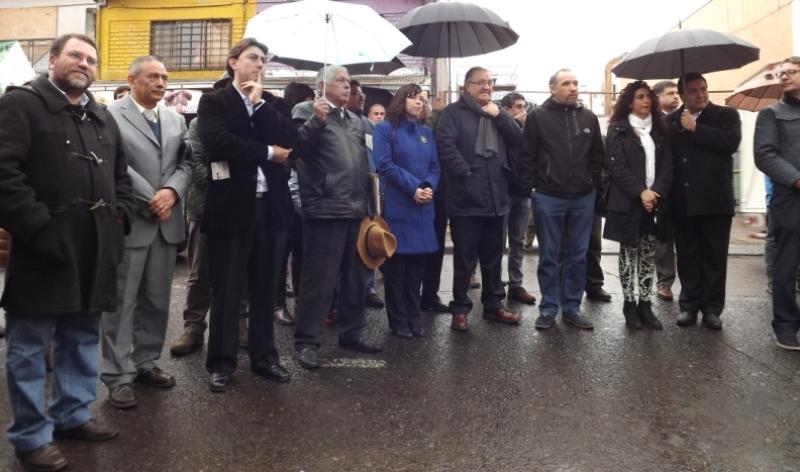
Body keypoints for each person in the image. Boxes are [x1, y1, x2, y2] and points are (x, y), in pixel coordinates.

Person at [0, 33, 135, 472]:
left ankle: (72, 415)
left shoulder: (99, 115)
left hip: (95, 246)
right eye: (76, 55)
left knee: (81, 338)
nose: (85, 63)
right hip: (43, 246)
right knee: (28, 346)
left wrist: (121, 220)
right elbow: (4, 174)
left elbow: (120, 177)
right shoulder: (21, 104)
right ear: (53, 59)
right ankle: (30, 436)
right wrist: (40, 228)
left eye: (92, 59)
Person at [197, 38, 297, 392]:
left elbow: (292, 139)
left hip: (271, 207)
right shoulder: (214, 101)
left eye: (263, 61)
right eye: (253, 58)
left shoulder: (271, 103)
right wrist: (269, 152)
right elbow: (219, 143)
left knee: (266, 287)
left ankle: (265, 357)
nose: (259, 65)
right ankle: (222, 363)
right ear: (233, 63)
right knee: (226, 287)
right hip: (231, 208)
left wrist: (259, 106)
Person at [101, 56, 190, 409]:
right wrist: (151, 196)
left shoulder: (175, 118)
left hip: (166, 221)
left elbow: (187, 162)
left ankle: (145, 362)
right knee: (122, 303)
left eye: (165, 77)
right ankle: (117, 375)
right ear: (132, 78)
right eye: (153, 76)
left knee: (157, 299)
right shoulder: (110, 115)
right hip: (131, 221)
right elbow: (113, 164)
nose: (161, 83)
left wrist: (172, 192)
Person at [292, 65, 382, 369]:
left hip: (356, 209)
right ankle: (306, 340)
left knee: (354, 278)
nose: (348, 87)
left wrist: (370, 204)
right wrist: (316, 119)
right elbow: (297, 149)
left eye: (348, 82)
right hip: (325, 208)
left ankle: (351, 332)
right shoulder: (306, 111)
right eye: (340, 81)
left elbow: (362, 163)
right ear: (321, 85)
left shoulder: (355, 120)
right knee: (319, 280)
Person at [436, 66, 523, 332]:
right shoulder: (452, 114)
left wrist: (502, 117)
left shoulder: (496, 112)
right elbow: (445, 146)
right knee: (464, 258)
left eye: (490, 82)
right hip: (465, 198)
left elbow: (518, 139)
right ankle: (460, 309)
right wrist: (466, 173)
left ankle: (494, 306)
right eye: (481, 83)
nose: (487, 87)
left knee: (493, 257)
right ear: (467, 87)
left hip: (496, 197)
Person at [521, 69, 604, 330]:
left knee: (578, 256)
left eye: (576, 83)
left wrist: (593, 187)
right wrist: (532, 189)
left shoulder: (589, 117)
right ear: (552, 88)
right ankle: (548, 307)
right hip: (548, 196)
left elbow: (598, 158)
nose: (573, 88)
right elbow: (527, 156)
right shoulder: (538, 117)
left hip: (582, 197)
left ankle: (571, 307)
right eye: (566, 83)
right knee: (549, 255)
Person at [667, 72, 741, 330]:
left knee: (714, 257)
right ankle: (688, 306)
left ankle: (711, 309)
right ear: (683, 95)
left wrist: (697, 128)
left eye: (703, 89)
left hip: (715, 199)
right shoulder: (670, 121)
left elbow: (730, 143)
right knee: (687, 256)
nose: (700, 95)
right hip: (683, 200)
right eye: (694, 91)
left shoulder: (725, 116)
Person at [603, 81, 673, 330]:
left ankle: (645, 304)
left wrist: (655, 192)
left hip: (654, 201)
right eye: (640, 97)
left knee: (648, 254)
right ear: (630, 102)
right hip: (627, 202)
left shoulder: (661, 129)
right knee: (628, 254)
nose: (646, 101)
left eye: (649, 97)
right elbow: (616, 167)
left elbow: (667, 166)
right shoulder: (618, 129)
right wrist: (640, 192)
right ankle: (629, 304)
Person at [373, 84, 440, 338]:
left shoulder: (425, 132)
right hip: (399, 207)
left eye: (421, 98)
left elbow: (435, 167)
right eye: (413, 98)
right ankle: (398, 319)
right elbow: (385, 165)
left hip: (423, 208)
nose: (419, 102)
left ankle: (415, 315)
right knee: (397, 268)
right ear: (400, 101)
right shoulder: (385, 129)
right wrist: (414, 187)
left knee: (417, 268)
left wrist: (428, 187)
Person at [754, 56, 800, 350]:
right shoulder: (771, 114)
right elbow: (765, 155)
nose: (784, 76)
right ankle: (784, 325)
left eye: (791, 72)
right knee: (786, 264)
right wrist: (796, 179)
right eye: (781, 73)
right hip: (789, 198)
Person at [348, 79, 385, 309]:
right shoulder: (333, 121)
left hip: (369, 190)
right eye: (355, 93)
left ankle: (369, 287)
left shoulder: (368, 125)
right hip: (346, 193)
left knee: (369, 238)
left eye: (362, 93)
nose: (360, 97)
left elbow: (374, 155)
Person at [500, 92, 537, 305]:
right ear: (506, 109)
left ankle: (516, 284)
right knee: (497, 242)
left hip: (522, 193)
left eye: (523, 107)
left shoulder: (526, 132)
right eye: (517, 107)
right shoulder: (498, 129)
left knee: (518, 241)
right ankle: (495, 284)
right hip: (503, 192)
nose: (522, 111)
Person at [652, 80, 680, 302]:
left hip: (685, 187)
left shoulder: (685, 117)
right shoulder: (652, 122)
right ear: (658, 97)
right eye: (671, 93)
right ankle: (665, 282)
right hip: (661, 189)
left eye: (678, 93)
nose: (676, 97)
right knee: (664, 238)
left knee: (687, 238)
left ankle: (690, 285)